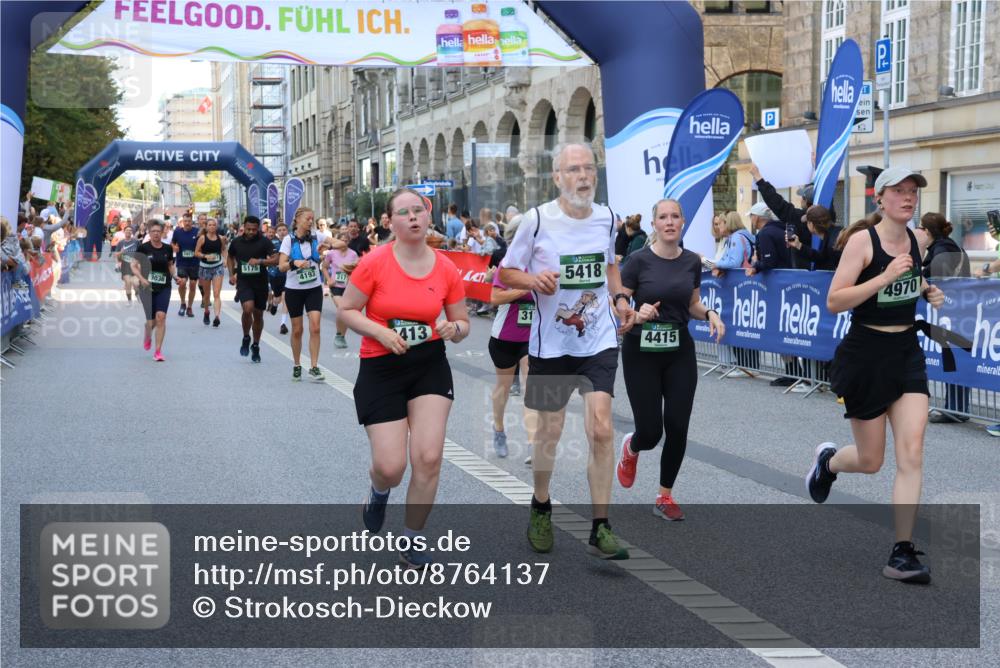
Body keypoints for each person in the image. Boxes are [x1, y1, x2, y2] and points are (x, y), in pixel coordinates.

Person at [808, 167, 950, 584]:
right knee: (871, 461)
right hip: (866, 354)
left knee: (913, 450)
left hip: (906, 352)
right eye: (899, 191)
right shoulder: (861, 242)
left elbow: (912, 280)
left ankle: (902, 552)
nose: (908, 198)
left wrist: (928, 291)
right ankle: (829, 463)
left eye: (913, 192)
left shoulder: (918, 240)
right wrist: (884, 277)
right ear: (880, 198)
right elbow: (835, 300)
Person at [499, 142, 635, 560]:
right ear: (557, 177)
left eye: (588, 168)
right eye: (573, 169)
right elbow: (504, 272)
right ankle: (541, 504)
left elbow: (610, 266)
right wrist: (533, 281)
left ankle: (601, 526)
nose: (583, 176)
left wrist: (620, 298)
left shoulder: (608, 217)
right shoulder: (538, 221)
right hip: (550, 345)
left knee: (602, 427)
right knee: (550, 431)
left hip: (598, 340)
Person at [337, 188, 469, 569]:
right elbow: (347, 310)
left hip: (429, 363)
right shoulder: (375, 263)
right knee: (391, 467)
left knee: (428, 457)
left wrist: (453, 329)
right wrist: (379, 333)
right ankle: (378, 492)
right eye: (403, 212)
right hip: (381, 366)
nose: (413, 217)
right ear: (390, 222)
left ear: (428, 217)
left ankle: (412, 538)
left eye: (419, 211)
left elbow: (462, 322)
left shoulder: (445, 267)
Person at [617, 199, 725, 520]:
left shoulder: (692, 261)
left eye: (675, 216)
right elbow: (619, 302)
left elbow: (692, 302)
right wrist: (637, 313)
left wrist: (709, 313)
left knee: (677, 426)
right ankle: (631, 448)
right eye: (662, 217)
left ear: (682, 222)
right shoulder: (637, 261)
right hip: (641, 352)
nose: (669, 222)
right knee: (650, 432)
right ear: (654, 224)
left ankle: (664, 496)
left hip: (679, 350)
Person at [488, 215, 535, 459]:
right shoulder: (508, 264)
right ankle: (498, 429)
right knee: (503, 388)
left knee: (530, 388)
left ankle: (531, 444)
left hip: (531, 338)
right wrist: (525, 289)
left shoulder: (539, 262)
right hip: (504, 337)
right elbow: (494, 298)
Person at [919, 212, 972, 424]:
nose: (920, 232)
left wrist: (919, 271)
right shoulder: (947, 246)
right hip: (957, 309)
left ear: (929, 231)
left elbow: (933, 274)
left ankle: (955, 410)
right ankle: (955, 408)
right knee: (954, 357)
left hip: (954, 311)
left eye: (922, 228)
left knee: (954, 357)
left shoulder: (942, 249)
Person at [278, 206, 326, 381]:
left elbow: (338, 243)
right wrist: (294, 263)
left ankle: (314, 366)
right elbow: (281, 266)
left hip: (313, 288)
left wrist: (335, 247)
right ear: (297, 220)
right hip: (294, 289)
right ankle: (297, 364)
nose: (311, 222)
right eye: (308, 218)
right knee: (297, 330)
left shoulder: (317, 236)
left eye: (312, 219)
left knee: (315, 326)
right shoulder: (288, 240)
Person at [227, 216, 277, 363]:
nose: (251, 232)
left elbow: (276, 259)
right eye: (248, 229)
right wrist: (231, 274)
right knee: (247, 308)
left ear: (259, 228)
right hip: (244, 282)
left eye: (254, 229)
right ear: (244, 226)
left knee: (258, 315)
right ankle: (246, 336)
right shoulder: (236, 242)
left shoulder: (264, 241)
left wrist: (260, 261)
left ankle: (256, 345)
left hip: (260, 282)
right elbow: (230, 257)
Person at [135, 221, 176, 361]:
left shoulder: (167, 249)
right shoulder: (143, 248)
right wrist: (142, 278)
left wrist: (176, 277)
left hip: (164, 286)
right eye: (153, 231)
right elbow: (134, 266)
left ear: (162, 233)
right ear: (149, 233)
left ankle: (158, 351)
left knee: (161, 317)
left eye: (158, 231)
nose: (156, 233)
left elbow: (170, 265)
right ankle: (148, 333)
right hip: (147, 287)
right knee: (151, 321)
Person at [321, 229, 360, 349]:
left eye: (346, 241)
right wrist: (328, 280)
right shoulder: (332, 253)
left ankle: (341, 336)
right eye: (342, 240)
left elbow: (357, 270)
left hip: (348, 287)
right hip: (336, 286)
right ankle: (339, 335)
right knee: (341, 307)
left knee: (345, 311)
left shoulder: (353, 254)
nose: (344, 242)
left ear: (348, 242)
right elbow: (324, 267)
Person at [194, 218, 226, 327]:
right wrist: (205, 256)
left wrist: (225, 259)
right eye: (210, 225)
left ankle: (217, 316)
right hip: (205, 268)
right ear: (206, 227)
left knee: (217, 293)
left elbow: (223, 249)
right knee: (207, 294)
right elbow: (196, 253)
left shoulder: (221, 238)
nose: (212, 227)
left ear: (216, 227)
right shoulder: (202, 239)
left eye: (214, 225)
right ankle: (207, 311)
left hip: (218, 266)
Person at [171, 213, 200, 317]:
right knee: (182, 283)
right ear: (182, 222)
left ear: (192, 221)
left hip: (194, 262)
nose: (187, 223)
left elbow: (202, 243)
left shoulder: (197, 232)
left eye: (189, 221)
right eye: (185, 221)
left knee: (192, 285)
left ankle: (189, 307)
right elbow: (172, 243)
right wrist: (174, 247)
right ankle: (183, 303)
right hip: (182, 262)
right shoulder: (177, 232)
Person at [267, 222, 290, 334]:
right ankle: (274, 304)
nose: (282, 232)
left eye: (284, 230)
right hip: (275, 274)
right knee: (278, 298)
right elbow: (268, 257)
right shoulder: (272, 243)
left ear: (287, 231)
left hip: (288, 274)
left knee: (286, 298)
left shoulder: (292, 241)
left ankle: (283, 324)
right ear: (277, 232)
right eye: (280, 230)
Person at [116, 226, 140, 304]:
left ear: (132, 232)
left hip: (135, 265)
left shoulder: (136, 242)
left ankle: (137, 293)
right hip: (125, 266)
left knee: (136, 283)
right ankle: (129, 300)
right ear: (124, 232)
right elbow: (116, 255)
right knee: (128, 283)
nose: (128, 232)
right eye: (127, 230)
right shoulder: (121, 243)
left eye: (130, 230)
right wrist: (120, 254)